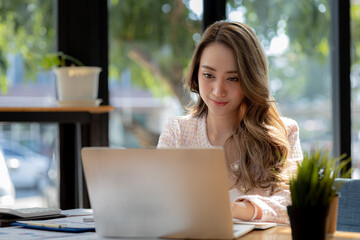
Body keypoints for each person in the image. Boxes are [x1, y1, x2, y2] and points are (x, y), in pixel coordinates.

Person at [157, 21, 303, 224]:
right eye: (209, 75)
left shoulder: (284, 132)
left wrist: (236, 209)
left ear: (251, 80)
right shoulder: (178, 132)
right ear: (196, 74)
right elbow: (158, 199)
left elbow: (294, 203)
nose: (218, 90)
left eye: (233, 79)